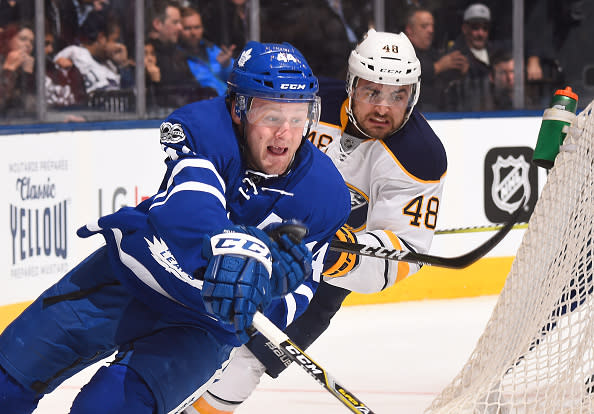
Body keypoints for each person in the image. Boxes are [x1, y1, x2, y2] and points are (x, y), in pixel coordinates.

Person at [0, 41, 351, 414]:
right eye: (271, 117)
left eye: (297, 118)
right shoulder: (204, 128)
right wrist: (230, 246)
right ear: (238, 109)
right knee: (6, 383)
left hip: (199, 328)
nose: (285, 134)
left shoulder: (326, 196)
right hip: (128, 279)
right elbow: (189, 206)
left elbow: (302, 288)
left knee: (106, 409)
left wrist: (265, 296)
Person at [188, 29, 448, 414]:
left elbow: (403, 253)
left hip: (323, 274)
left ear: (415, 94)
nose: (382, 107)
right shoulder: (305, 102)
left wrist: (343, 259)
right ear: (351, 84)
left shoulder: (421, 157)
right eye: (371, 92)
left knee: (251, 358)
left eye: (398, 95)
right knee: (192, 327)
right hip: (253, 225)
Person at [147, 0, 217, 107]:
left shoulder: (176, 54)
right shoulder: (148, 55)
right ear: (157, 24)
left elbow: (192, 87)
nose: (180, 27)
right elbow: (159, 99)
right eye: (175, 22)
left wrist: (208, 94)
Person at [440, 3, 504, 111]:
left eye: (485, 28)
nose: (480, 33)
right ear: (465, 28)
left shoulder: (498, 54)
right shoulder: (454, 57)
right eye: (475, 28)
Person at [404, 7, 469, 111]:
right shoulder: (401, 52)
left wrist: (461, 71)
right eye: (424, 26)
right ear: (409, 30)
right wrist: (438, 67)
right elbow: (408, 74)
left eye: (432, 26)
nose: (431, 30)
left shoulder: (435, 54)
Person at [53, 10, 120, 95]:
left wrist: (124, 65)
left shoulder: (111, 65)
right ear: (101, 38)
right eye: (115, 41)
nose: (118, 45)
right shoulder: (73, 53)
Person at [178, 6, 235, 96]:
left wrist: (226, 65)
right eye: (187, 28)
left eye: (197, 27)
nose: (193, 33)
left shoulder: (211, 48)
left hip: (227, 100)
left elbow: (236, 77)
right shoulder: (177, 57)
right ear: (179, 29)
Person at [0, 21, 35, 118]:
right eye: (23, 39)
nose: (28, 45)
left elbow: (32, 109)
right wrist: (9, 70)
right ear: (8, 40)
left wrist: (28, 75)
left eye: (31, 42)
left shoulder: (30, 67)